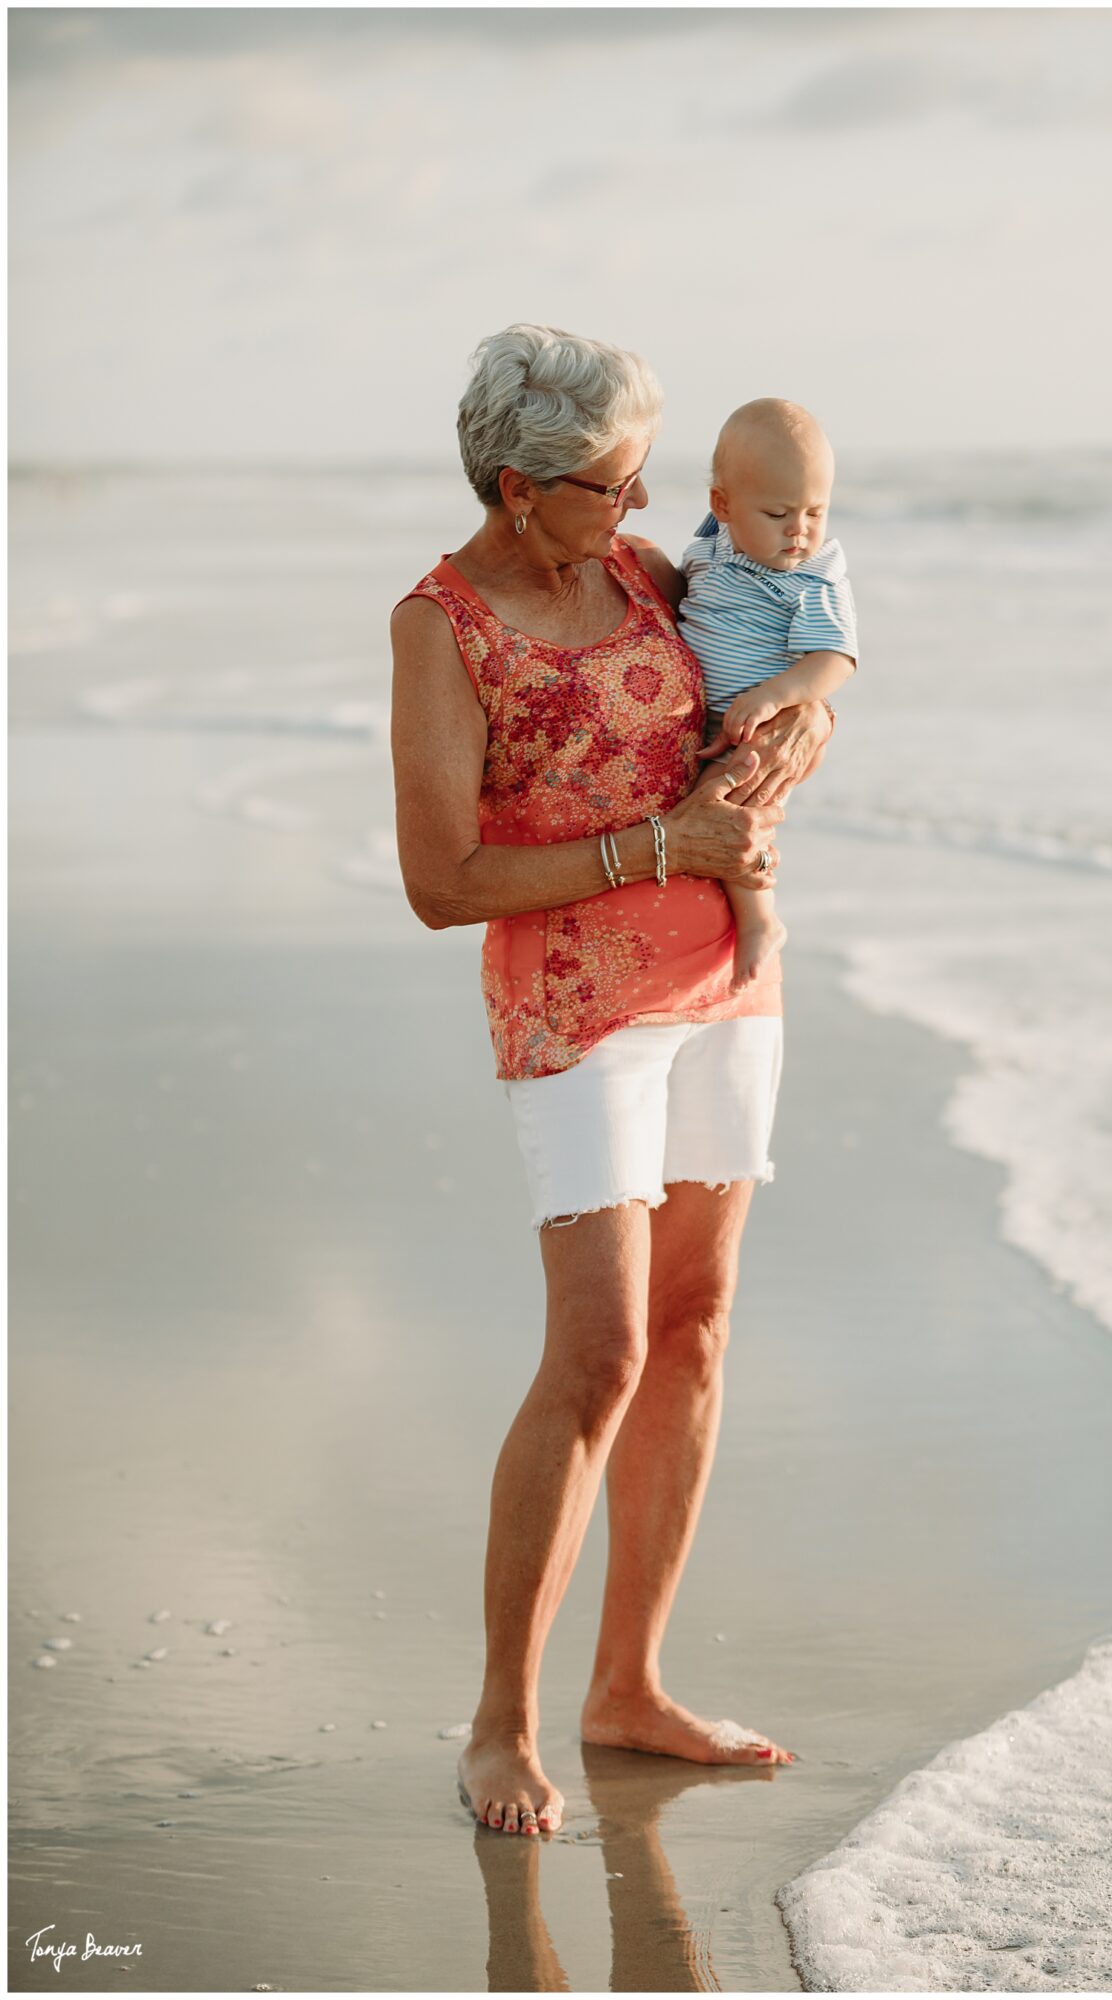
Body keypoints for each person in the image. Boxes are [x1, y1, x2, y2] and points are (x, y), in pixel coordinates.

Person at [389, 325, 834, 1839]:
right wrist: (664, 849)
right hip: (578, 1016)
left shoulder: (644, 577)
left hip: (728, 985)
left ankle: (626, 1687)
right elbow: (441, 880)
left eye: (646, 480)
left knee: (695, 1333)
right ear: (517, 489)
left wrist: (792, 745)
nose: (638, 514)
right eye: (606, 487)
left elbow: (778, 667)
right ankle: (500, 1723)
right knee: (596, 1358)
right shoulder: (441, 626)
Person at [678, 399, 858, 991]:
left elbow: (835, 659)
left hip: (750, 733)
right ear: (722, 508)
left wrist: (780, 696)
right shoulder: (716, 546)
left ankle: (760, 920)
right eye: (779, 512)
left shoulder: (811, 578)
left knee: (728, 810)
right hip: (698, 722)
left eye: (816, 511)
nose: (800, 531)